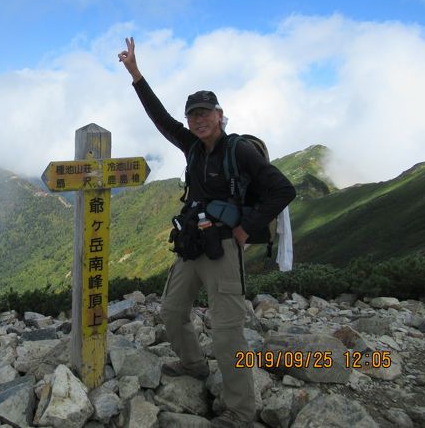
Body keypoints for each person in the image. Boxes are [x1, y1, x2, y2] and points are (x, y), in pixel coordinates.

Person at [118, 37, 296, 428]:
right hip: (192, 245)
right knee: (171, 310)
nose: (198, 120)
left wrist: (245, 228)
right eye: (193, 115)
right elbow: (160, 118)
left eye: (205, 113)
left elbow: (284, 189)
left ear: (220, 114)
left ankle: (241, 410)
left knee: (227, 331)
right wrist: (136, 76)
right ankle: (194, 366)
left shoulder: (239, 150)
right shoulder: (191, 147)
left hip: (224, 249)